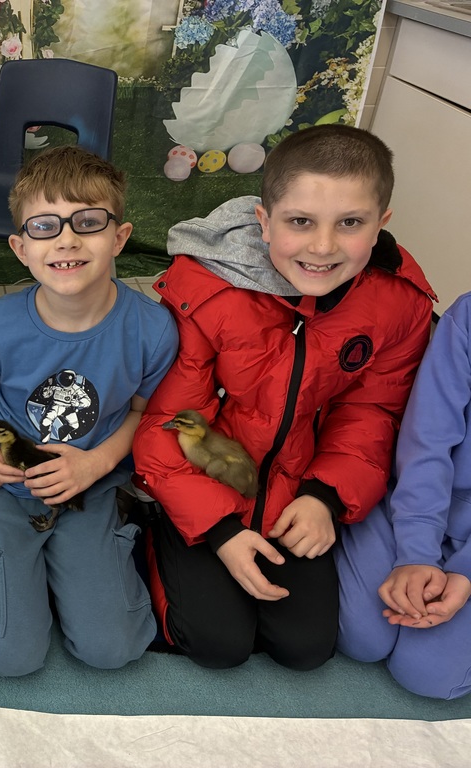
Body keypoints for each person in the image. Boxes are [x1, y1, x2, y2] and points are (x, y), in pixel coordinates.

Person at [132, 124, 436, 672]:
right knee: (218, 643)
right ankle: (152, 541)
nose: (322, 247)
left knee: (305, 648)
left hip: (296, 490)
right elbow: (167, 422)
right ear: (264, 222)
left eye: (350, 223)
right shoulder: (207, 291)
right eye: (301, 222)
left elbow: (372, 412)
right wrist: (221, 531)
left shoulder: (399, 302)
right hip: (203, 484)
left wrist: (323, 498)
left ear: (380, 225)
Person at [0, 145, 179, 677]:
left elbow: (145, 413)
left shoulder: (152, 329)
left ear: (120, 237)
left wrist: (95, 465)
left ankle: (81, 566)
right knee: (9, 657)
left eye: (88, 221)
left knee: (112, 649)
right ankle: (2, 561)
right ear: (20, 247)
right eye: (45, 226)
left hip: (91, 485)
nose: (67, 239)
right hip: (2, 486)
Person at [336, 291, 471, 700]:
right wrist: (415, 553)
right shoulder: (467, 315)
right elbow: (427, 440)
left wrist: (466, 571)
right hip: (420, 503)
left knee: (429, 675)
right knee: (360, 636)